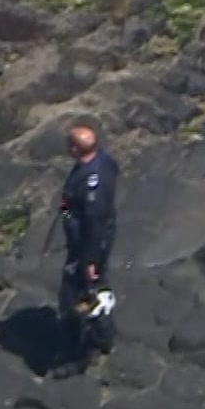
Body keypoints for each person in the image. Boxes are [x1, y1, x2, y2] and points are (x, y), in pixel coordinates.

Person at [57, 124, 121, 367]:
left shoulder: (91, 183)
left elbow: (93, 224)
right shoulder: (105, 162)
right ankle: (99, 337)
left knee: (79, 295)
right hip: (94, 238)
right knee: (92, 288)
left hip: (88, 246)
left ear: (75, 149)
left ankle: (84, 351)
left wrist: (90, 260)